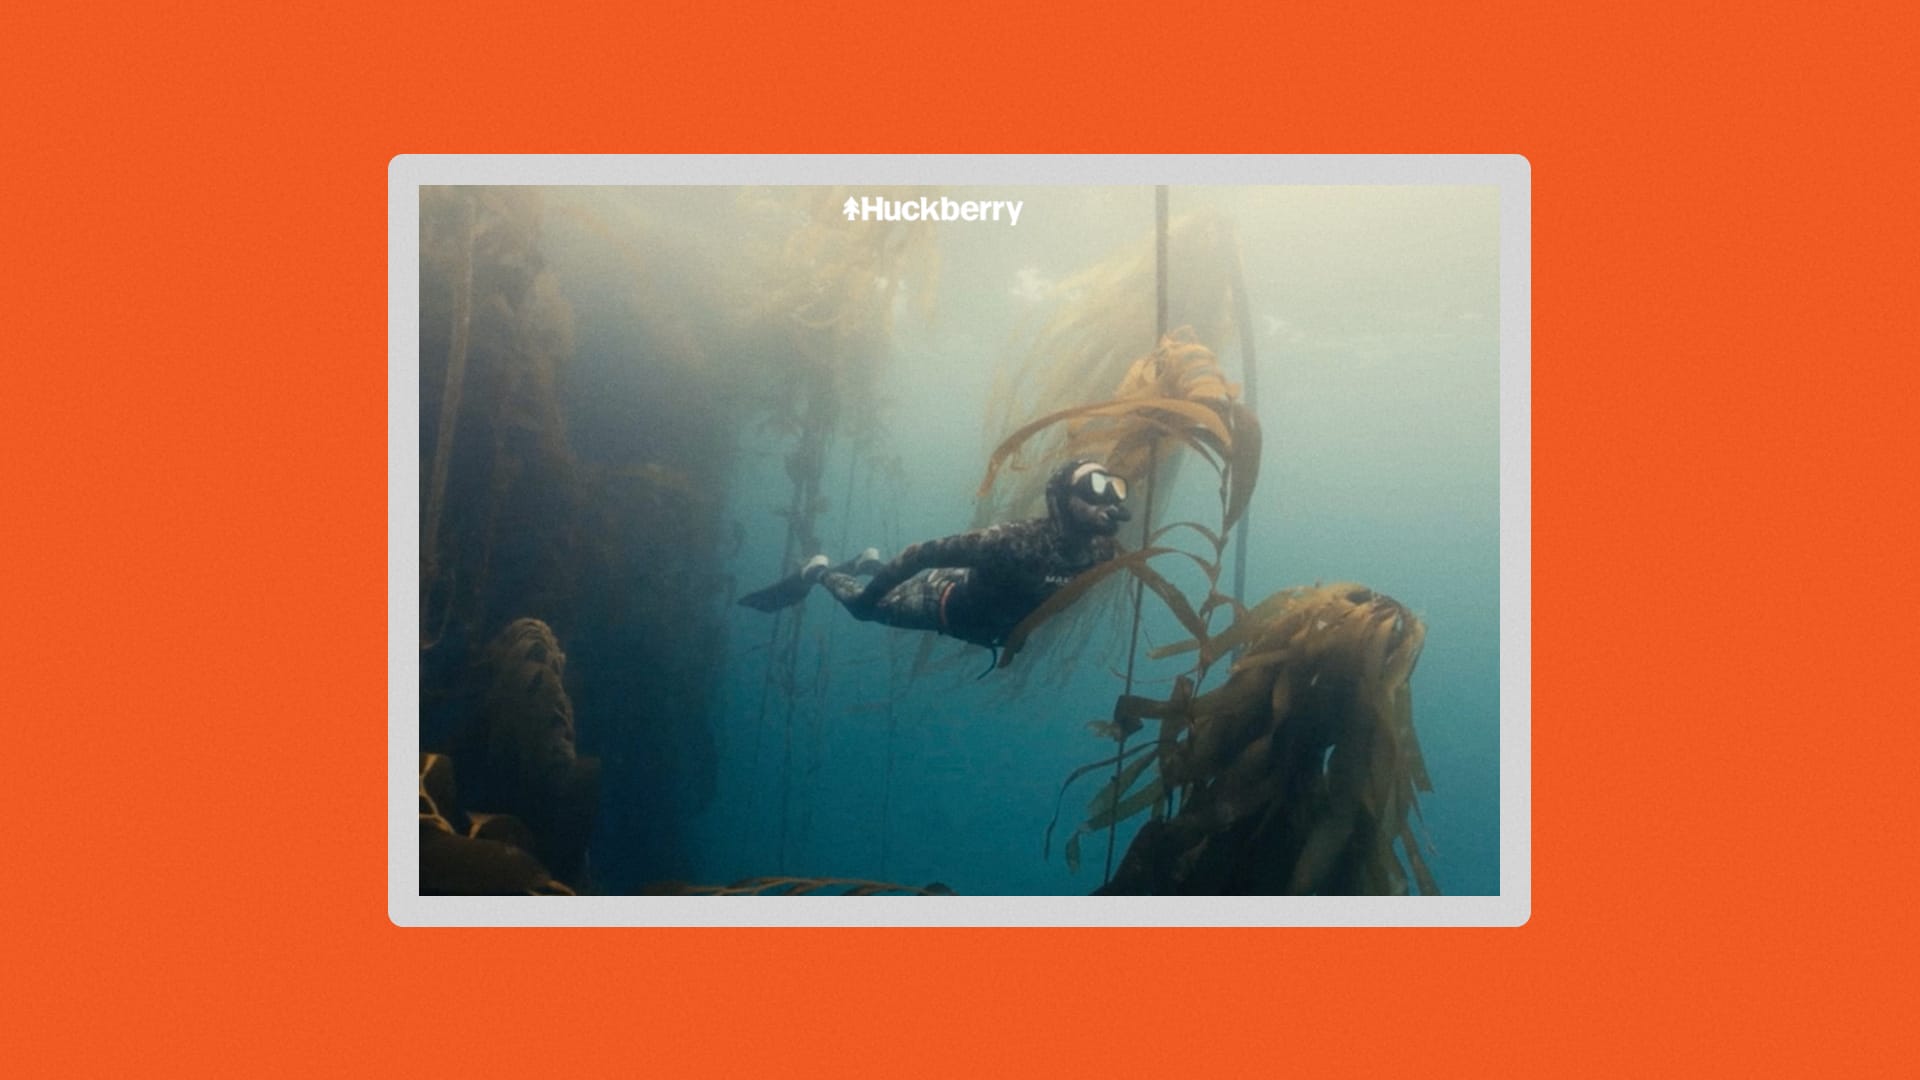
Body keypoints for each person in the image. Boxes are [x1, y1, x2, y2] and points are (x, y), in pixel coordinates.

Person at [739, 459, 1132, 665]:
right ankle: (820, 570)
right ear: (1063, 498)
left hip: (976, 613)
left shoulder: (1101, 553)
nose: (1108, 498)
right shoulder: (1013, 542)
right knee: (865, 611)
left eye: (1113, 487)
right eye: (1093, 486)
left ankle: (869, 561)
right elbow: (919, 555)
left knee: (893, 584)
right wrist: (866, 601)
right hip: (939, 602)